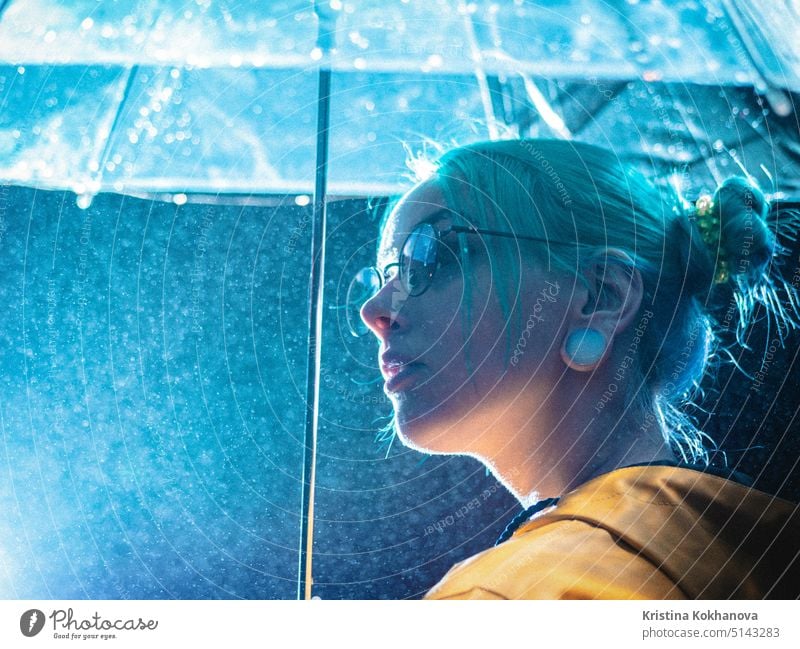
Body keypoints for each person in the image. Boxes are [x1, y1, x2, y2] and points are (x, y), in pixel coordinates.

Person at [348, 138, 800, 599]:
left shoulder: (512, 600)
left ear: (602, 297)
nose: (375, 310)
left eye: (429, 256)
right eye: (384, 275)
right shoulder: (758, 551)